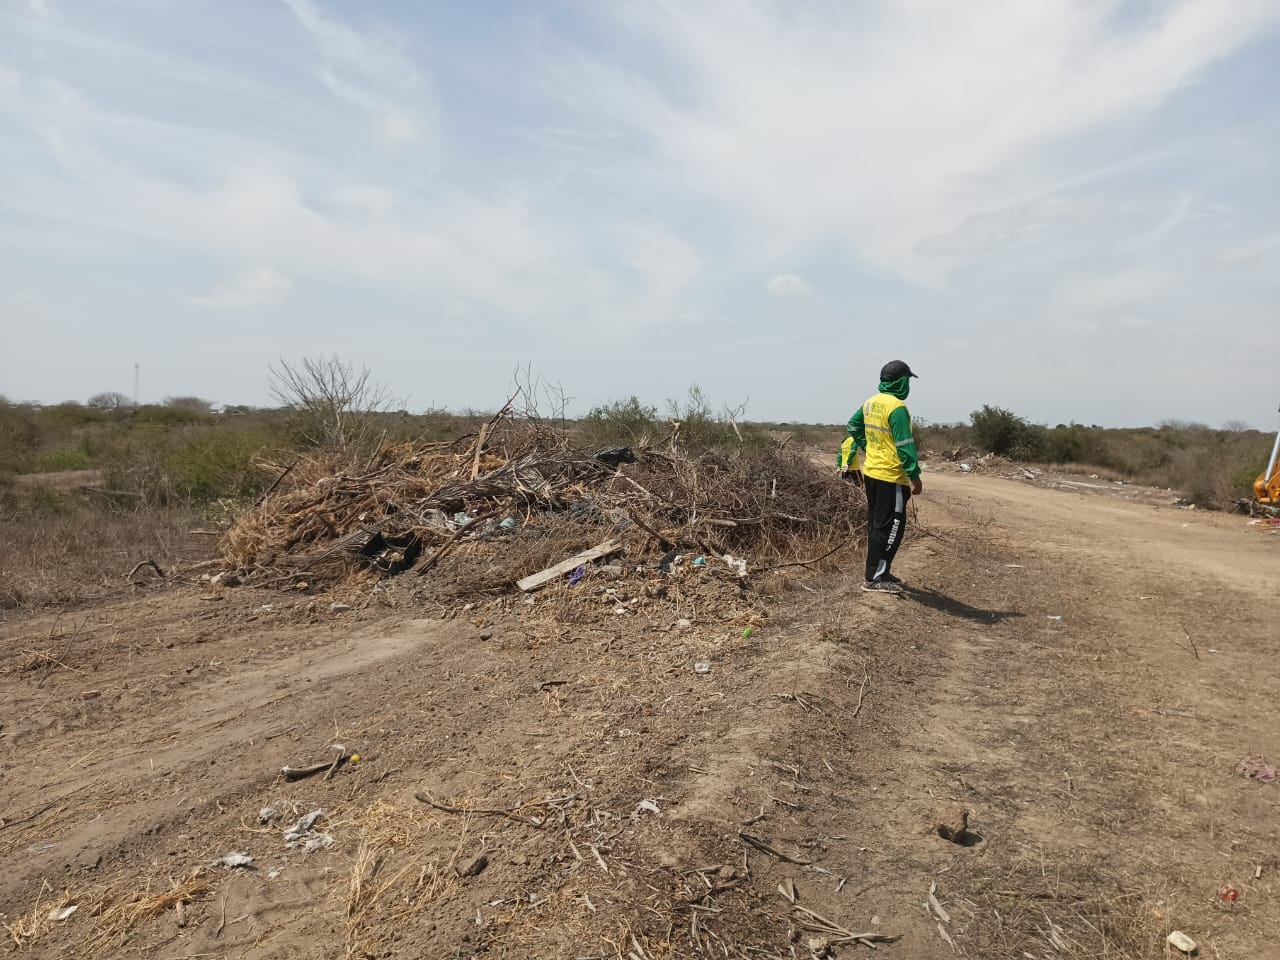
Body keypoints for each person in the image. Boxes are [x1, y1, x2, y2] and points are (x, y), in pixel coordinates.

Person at [847, 360, 922, 593]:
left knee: (877, 525)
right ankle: (875, 578)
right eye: (907, 380)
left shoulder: (870, 403)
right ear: (901, 382)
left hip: (872, 473)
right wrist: (915, 476)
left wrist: (868, 447)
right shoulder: (897, 407)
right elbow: (905, 445)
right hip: (891, 477)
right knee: (891, 527)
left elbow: (853, 426)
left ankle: (881, 571)